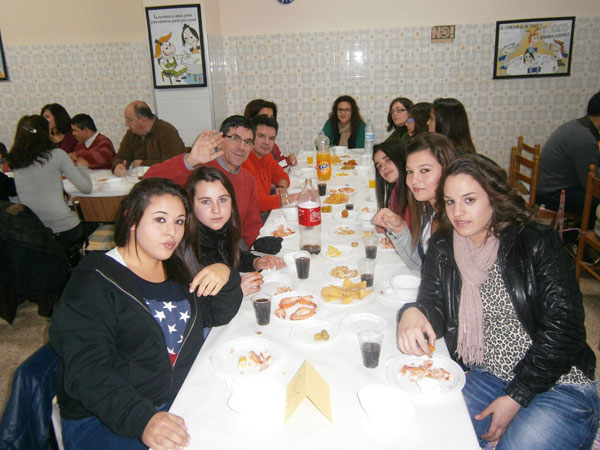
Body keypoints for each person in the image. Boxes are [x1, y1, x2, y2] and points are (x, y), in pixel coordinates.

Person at [397, 154, 598, 450]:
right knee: (432, 433)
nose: (458, 212)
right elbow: (434, 305)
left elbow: (566, 330)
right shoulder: (444, 246)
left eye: (469, 200)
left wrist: (517, 396)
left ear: (493, 196)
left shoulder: (535, 241)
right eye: (450, 202)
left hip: (558, 380)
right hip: (492, 374)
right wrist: (412, 311)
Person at [50, 177, 243, 450]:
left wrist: (227, 275)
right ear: (131, 219)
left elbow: (215, 316)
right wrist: (142, 419)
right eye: (160, 219)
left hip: (177, 397)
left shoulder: (176, 266)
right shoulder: (93, 281)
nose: (172, 232)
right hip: (107, 415)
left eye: (179, 221)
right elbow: (87, 371)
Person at [144, 115, 263, 249]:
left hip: (230, 248)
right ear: (220, 140)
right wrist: (190, 160)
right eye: (235, 139)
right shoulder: (199, 170)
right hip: (195, 248)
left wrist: (258, 251)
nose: (241, 147)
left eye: (248, 142)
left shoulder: (248, 179)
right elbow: (148, 181)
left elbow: (251, 225)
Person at [186, 166, 285, 297]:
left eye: (222, 200)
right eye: (206, 202)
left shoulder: (220, 229)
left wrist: (256, 262)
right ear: (191, 204)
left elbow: (233, 257)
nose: (216, 210)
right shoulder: (189, 247)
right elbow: (197, 301)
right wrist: (236, 292)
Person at [371, 133, 458, 270]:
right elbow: (420, 265)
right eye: (410, 172)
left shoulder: (459, 222)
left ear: (447, 169)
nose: (414, 180)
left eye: (424, 170)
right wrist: (399, 229)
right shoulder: (428, 212)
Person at [7, 115, 92, 247]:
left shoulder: (16, 160)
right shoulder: (57, 155)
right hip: (64, 228)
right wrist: (82, 167)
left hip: (34, 230)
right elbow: (86, 188)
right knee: (91, 223)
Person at [536, 90, 600, 218]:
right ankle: (584, 230)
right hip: (552, 195)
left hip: (548, 187)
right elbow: (591, 185)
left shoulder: (576, 125)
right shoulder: (585, 140)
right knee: (596, 203)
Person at [113, 101, 186, 176]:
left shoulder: (166, 131)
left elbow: (174, 162)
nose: (126, 124)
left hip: (164, 180)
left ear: (142, 120)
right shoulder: (131, 134)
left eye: (129, 120)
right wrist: (118, 166)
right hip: (139, 180)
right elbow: (121, 157)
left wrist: (143, 164)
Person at [242, 115, 297, 214]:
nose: (267, 142)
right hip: (253, 217)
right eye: (261, 136)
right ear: (250, 137)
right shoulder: (244, 162)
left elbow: (282, 176)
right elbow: (258, 203)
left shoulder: (267, 156)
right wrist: (298, 197)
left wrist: (281, 188)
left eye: (271, 138)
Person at [244, 99, 297, 168]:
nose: (269, 121)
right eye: (264, 117)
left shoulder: (271, 143)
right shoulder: (245, 150)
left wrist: (288, 159)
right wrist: (288, 161)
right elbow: (271, 167)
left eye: (272, 118)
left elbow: (276, 164)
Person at [372, 140, 409, 224]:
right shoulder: (395, 189)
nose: (383, 168)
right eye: (379, 166)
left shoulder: (413, 193)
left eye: (388, 160)